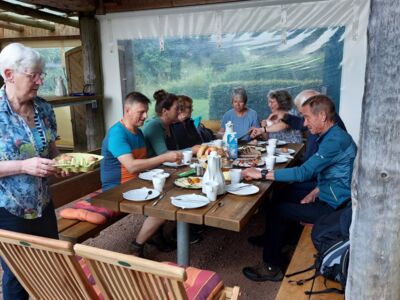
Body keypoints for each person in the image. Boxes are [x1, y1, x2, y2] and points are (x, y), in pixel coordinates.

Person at [241, 95, 357, 282]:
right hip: (332, 195)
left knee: (279, 210)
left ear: (322, 116)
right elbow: (338, 173)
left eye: (307, 117)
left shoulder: (334, 140)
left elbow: (304, 172)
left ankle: (272, 266)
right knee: (281, 193)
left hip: (337, 208)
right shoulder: (331, 134)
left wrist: (261, 174)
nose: (305, 123)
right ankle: (283, 240)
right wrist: (316, 190)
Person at [0, 43, 67, 300]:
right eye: (33, 74)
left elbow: (52, 150)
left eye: (42, 74)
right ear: (9, 74)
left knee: (50, 266)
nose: (40, 81)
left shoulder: (44, 108)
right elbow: (26, 164)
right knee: (18, 274)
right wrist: (23, 166)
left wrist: (62, 163)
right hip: (8, 210)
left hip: (43, 205)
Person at [101, 91, 183, 257]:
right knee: (164, 207)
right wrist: (164, 157)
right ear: (127, 110)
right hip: (116, 189)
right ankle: (136, 246)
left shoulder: (137, 132)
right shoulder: (117, 133)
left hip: (136, 183)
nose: (145, 116)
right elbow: (131, 166)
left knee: (175, 190)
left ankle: (155, 235)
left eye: (146, 111)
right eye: (141, 112)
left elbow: (143, 164)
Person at [143, 90, 199, 156]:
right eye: (176, 109)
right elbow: (163, 154)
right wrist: (191, 150)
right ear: (165, 111)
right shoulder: (153, 125)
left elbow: (175, 150)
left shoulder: (169, 124)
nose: (179, 111)